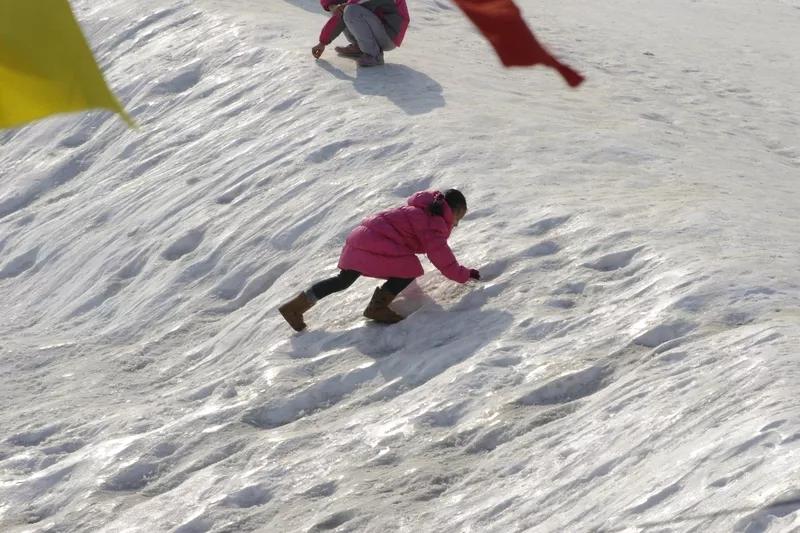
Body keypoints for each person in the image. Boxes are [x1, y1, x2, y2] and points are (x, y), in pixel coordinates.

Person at [279, 189, 480, 331]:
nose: (456, 224)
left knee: (343, 280)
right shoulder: (433, 223)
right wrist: (464, 274)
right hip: (377, 242)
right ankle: (377, 307)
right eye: (458, 218)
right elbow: (442, 258)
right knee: (410, 269)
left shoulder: (423, 208)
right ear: (452, 211)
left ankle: (295, 307)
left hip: (362, 237)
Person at [312, 0, 410, 67]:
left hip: (390, 36)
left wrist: (322, 42)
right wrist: (322, 43)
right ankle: (360, 47)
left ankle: (374, 55)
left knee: (350, 10)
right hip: (378, 29)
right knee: (341, 7)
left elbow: (348, 7)